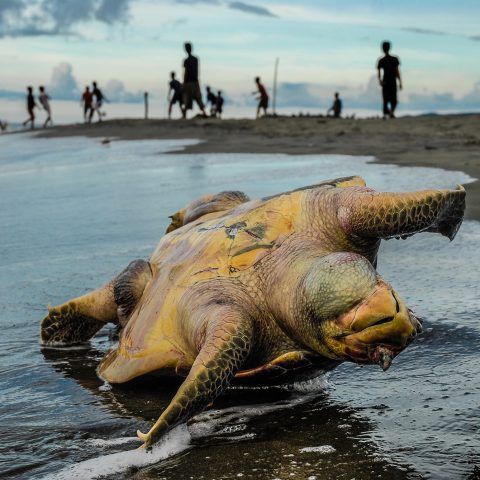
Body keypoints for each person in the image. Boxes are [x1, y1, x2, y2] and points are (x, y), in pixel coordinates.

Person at [377, 41, 402, 119]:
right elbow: (397, 71)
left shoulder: (382, 60)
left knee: (386, 100)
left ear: (382, 49)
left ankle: (389, 113)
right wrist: (400, 81)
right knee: (393, 100)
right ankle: (390, 113)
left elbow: (379, 73)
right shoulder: (394, 59)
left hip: (386, 82)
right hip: (392, 82)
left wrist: (380, 81)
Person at [181, 42, 207, 119]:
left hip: (190, 82)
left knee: (187, 98)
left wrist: (184, 83)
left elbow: (186, 73)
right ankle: (204, 113)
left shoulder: (187, 60)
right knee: (198, 98)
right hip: (195, 81)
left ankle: (184, 115)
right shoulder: (195, 59)